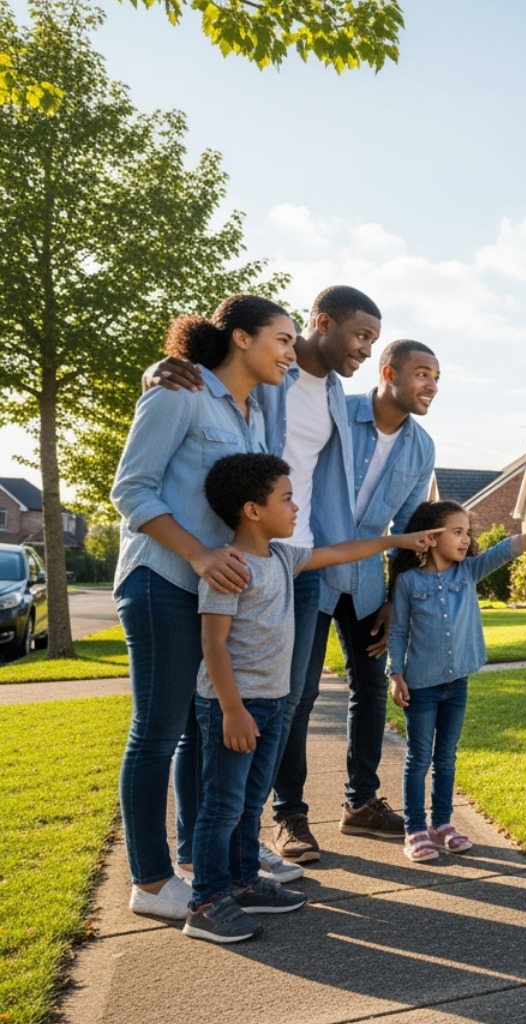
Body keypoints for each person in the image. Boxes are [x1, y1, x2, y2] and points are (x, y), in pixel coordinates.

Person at [147, 285, 382, 866]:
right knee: (214, 707)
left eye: (373, 342)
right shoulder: (257, 381)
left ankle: (241, 844)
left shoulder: (337, 397)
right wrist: (160, 367)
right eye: (359, 336)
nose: (365, 352)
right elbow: (204, 390)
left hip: (299, 557)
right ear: (319, 324)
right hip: (235, 558)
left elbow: (381, 412)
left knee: (290, 696)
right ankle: (221, 846)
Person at [184, 453, 440, 944]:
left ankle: (241, 881)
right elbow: (213, 644)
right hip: (233, 708)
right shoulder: (229, 567)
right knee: (222, 805)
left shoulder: (284, 556)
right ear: (252, 510)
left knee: (250, 800)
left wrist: (398, 540)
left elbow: (344, 552)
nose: (296, 506)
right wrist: (233, 709)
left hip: (273, 703)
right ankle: (206, 902)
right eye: (286, 498)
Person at [112, 295, 295, 920]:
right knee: (157, 733)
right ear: (241, 338)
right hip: (162, 577)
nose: (290, 353)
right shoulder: (179, 392)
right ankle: (152, 881)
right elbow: (130, 488)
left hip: (206, 591)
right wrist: (195, 554)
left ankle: (200, 863)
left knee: (198, 731)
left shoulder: (252, 414)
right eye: (281, 339)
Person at [386, 502, 526, 862]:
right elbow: (397, 633)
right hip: (421, 685)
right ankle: (415, 830)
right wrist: (395, 675)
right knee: (419, 757)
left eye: (467, 532)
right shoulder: (408, 582)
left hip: (457, 683)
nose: (466, 539)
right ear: (431, 537)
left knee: (446, 757)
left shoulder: (468, 572)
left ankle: (442, 826)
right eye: (457, 532)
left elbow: (507, 548)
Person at [321, 340, 439, 839]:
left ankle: (361, 803)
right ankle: (289, 815)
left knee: (369, 690)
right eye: (421, 374)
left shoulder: (422, 446)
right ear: (388, 373)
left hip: (367, 584)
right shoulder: (337, 413)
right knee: (295, 696)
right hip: (310, 572)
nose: (431, 386)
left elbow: (408, 530)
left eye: (436, 378)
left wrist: (394, 598)